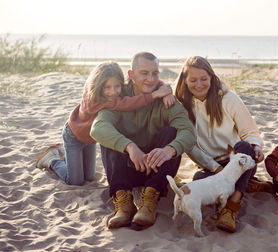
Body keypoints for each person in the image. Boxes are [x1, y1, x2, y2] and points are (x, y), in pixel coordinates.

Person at [90, 52, 196, 229]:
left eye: (155, 73)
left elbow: (189, 132)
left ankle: (149, 201)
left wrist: (168, 150)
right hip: (127, 169)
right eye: (144, 73)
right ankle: (124, 203)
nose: (150, 79)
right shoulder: (119, 98)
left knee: (171, 132)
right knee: (109, 134)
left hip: (157, 170)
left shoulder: (166, 100)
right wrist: (130, 147)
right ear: (131, 75)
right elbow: (98, 128)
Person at [35, 61, 174, 186]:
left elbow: (148, 81)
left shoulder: (113, 92)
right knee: (75, 181)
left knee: (90, 178)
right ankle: (53, 160)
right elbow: (126, 103)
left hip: (90, 140)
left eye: (117, 86)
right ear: (98, 85)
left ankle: (66, 155)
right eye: (107, 87)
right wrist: (155, 95)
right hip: (74, 137)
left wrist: (165, 90)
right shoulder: (94, 100)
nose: (112, 92)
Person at [175, 56, 265, 233]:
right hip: (211, 166)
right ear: (185, 81)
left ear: (211, 77)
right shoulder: (182, 106)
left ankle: (231, 207)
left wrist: (257, 147)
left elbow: (250, 132)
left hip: (237, 162)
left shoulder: (228, 98)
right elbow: (190, 146)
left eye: (204, 79)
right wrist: (216, 169)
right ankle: (246, 184)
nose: (199, 85)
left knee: (245, 148)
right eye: (193, 80)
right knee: (198, 180)